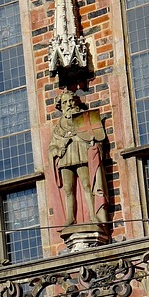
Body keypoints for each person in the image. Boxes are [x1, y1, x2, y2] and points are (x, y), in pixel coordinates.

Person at [49, 91, 107, 227]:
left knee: (87, 185)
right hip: (65, 158)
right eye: (64, 102)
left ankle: (93, 215)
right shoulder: (58, 126)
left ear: (76, 102)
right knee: (68, 189)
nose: (68, 104)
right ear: (61, 107)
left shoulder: (83, 118)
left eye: (70, 101)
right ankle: (70, 217)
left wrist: (93, 143)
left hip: (81, 154)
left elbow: (95, 135)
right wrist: (57, 150)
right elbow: (52, 146)